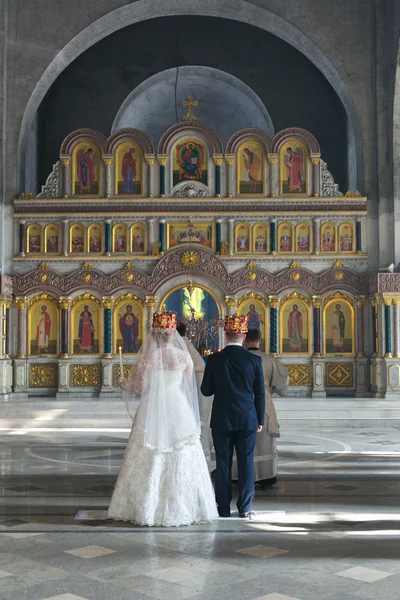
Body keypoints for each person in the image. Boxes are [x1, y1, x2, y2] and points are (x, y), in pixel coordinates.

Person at [108, 309, 217, 527]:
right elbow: (188, 387)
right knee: (182, 453)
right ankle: (190, 505)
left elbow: (140, 387)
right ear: (172, 333)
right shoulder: (183, 356)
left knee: (150, 453)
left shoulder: (149, 357)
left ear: (155, 334)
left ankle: (147, 507)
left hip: (153, 409)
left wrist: (123, 385)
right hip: (179, 407)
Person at [201, 314, 265, 518]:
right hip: (247, 418)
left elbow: (206, 390)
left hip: (222, 418)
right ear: (244, 335)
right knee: (246, 463)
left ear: (225, 334)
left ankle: (222, 508)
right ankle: (245, 507)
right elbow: (260, 393)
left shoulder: (214, 359)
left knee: (222, 463)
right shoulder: (254, 360)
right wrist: (260, 420)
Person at [232, 329, 288, 488]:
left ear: (245, 340)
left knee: (242, 441)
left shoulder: (238, 358)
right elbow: (281, 384)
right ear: (259, 340)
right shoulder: (269, 360)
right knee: (263, 441)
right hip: (264, 406)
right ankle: (265, 476)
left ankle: (238, 474)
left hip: (242, 403)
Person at [177, 321, 213, 468]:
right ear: (185, 331)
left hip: (181, 394)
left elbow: (197, 367)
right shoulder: (187, 346)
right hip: (189, 394)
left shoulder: (180, 345)